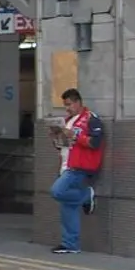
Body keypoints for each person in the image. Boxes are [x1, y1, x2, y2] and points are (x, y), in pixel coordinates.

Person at [49, 88, 103, 255]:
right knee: (68, 206)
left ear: (78, 102)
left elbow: (95, 143)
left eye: (69, 105)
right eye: (65, 106)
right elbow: (64, 145)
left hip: (79, 166)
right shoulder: (68, 120)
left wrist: (75, 136)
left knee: (57, 191)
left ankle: (87, 195)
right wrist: (57, 139)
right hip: (66, 164)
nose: (67, 109)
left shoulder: (90, 119)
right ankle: (70, 244)